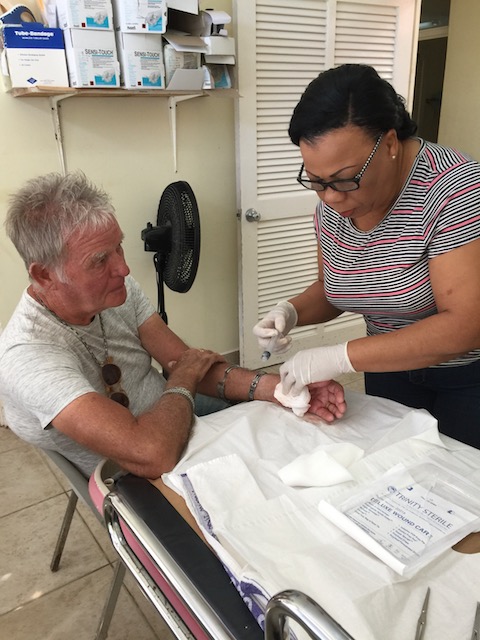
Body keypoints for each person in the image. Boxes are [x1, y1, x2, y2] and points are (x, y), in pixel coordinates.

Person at [0, 172, 346, 479]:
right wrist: (183, 377)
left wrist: (280, 389)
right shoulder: (29, 357)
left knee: (290, 435)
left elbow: (184, 361)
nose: (124, 269)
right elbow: (152, 453)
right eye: (100, 260)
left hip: (177, 415)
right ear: (44, 274)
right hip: (134, 475)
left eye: (118, 247)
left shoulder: (115, 293)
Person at [254, 63, 480, 449]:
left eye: (344, 179)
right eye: (316, 182)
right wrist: (289, 311)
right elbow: (337, 286)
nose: (330, 197)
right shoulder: (334, 202)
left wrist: (340, 357)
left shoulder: (455, 189)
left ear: (390, 143)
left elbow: (465, 324)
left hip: (466, 379)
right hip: (386, 370)